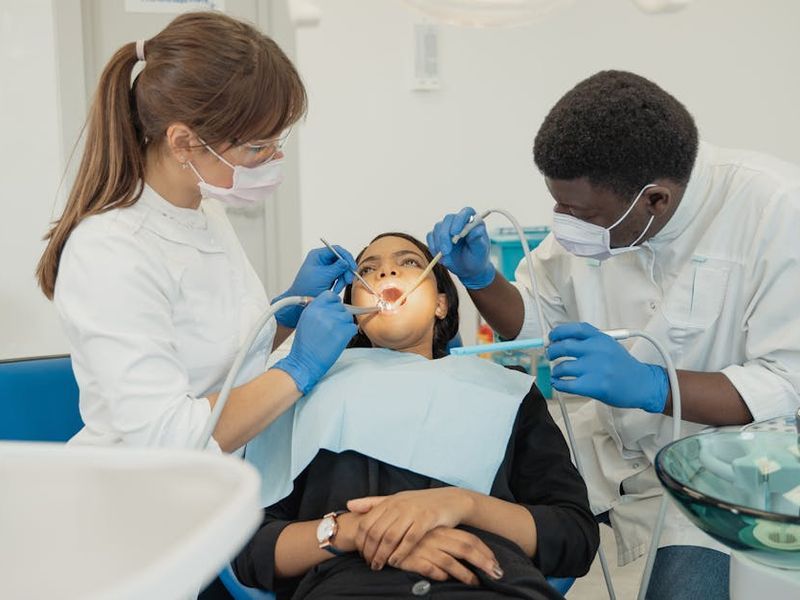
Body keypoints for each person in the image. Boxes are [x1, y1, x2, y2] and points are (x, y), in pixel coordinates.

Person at [428, 70, 800, 599]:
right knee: (495, 577)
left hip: (721, 472)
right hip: (604, 457)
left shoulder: (776, 210)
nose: (564, 223)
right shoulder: (602, 212)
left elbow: (786, 386)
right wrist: (482, 280)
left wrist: (652, 385)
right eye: (558, 205)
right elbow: (534, 321)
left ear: (655, 201)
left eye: (580, 213)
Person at [35, 12, 357, 454]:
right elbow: (170, 437)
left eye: (276, 142)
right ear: (184, 143)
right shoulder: (109, 252)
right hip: (143, 488)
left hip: (224, 477)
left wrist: (287, 311)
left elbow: (221, 362)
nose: (274, 158)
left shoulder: (203, 208)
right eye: (257, 146)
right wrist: (297, 370)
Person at [233, 233, 599, 599]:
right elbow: (249, 548)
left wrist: (463, 505)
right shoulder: (299, 391)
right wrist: (352, 531)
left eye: (408, 262)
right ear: (354, 314)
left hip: (488, 584)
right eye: (367, 269)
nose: (386, 271)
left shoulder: (507, 391)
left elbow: (574, 535)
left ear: (441, 304)